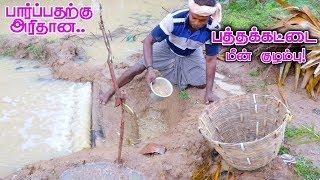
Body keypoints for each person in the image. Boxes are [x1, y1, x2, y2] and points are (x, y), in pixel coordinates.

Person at [99, 0, 222, 105]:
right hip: (167, 47)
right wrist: (150, 69)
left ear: (209, 18)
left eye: (203, 20)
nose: (197, 23)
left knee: (201, 84)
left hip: (191, 52)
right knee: (137, 68)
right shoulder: (174, 19)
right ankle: (110, 91)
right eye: (194, 17)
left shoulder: (214, 29)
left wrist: (209, 92)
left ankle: (178, 75)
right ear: (189, 12)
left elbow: (211, 60)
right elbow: (148, 41)